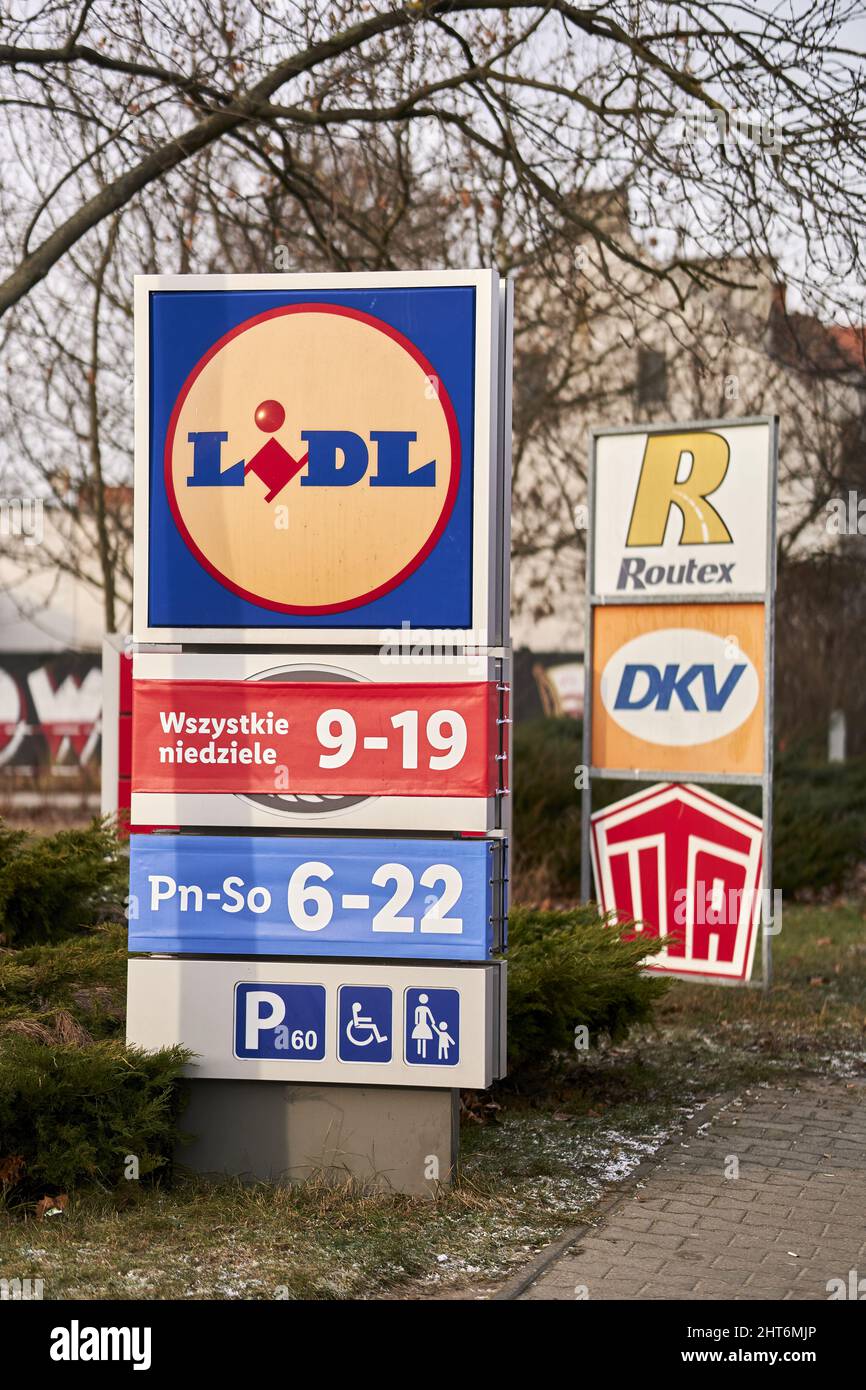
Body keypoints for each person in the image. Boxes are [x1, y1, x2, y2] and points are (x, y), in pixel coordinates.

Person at [411, 993, 436, 1059]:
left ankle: (423, 1053)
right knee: (419, 1037)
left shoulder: (424, 1008)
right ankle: (419, 1052)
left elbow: (429, 1015)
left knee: (423, 1037)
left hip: (423, 1024)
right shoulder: (418, 1008)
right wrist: (416, 1022)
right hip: (421, 1024)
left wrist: (432, 1021)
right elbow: (416, 1016)